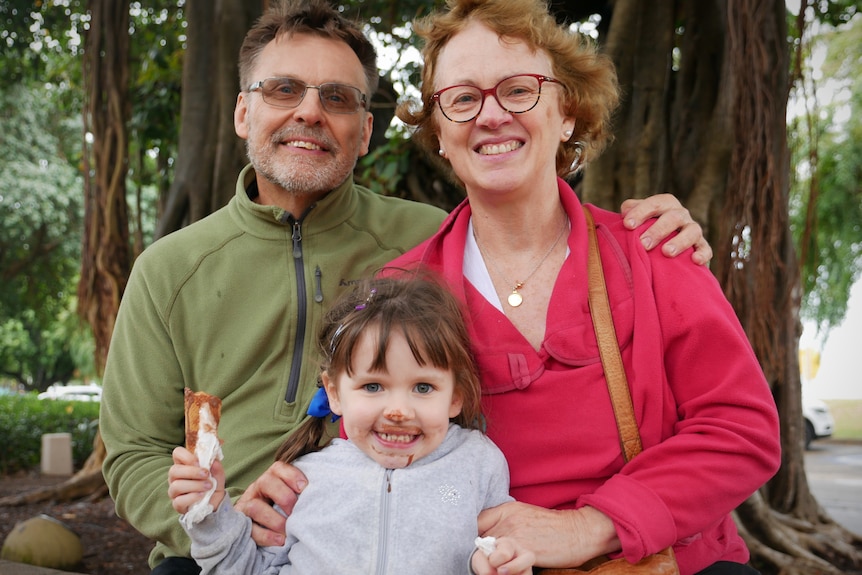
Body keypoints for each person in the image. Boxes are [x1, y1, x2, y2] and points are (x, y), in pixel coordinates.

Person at [99, 0, 713, 573]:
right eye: (283, 89)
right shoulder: (169, 269)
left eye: (337, 98)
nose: (309, 112)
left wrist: (658, 234)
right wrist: (227, 516)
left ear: (366, 132)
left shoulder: (427, 248)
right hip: (222, 547)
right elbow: (130, 456)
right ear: (242, 111)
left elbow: (528, 218)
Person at [382, 1, 780, 574]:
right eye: (463, 99)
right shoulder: (403, 291)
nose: (491, 116)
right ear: (440, 131)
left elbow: (742, 429)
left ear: (567, 112)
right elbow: (371, 443)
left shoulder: (655, 254)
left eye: (518, 90)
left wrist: (588, 527)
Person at [168, 275, 535, 574]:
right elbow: (246, 569)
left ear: (455, 395)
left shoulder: (477, 463)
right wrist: (211, 513)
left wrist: (495, 562)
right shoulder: (304, 477)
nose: (398, 411)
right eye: (373, 386)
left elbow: (489, 546)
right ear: (334, 393)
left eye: (423, 387)